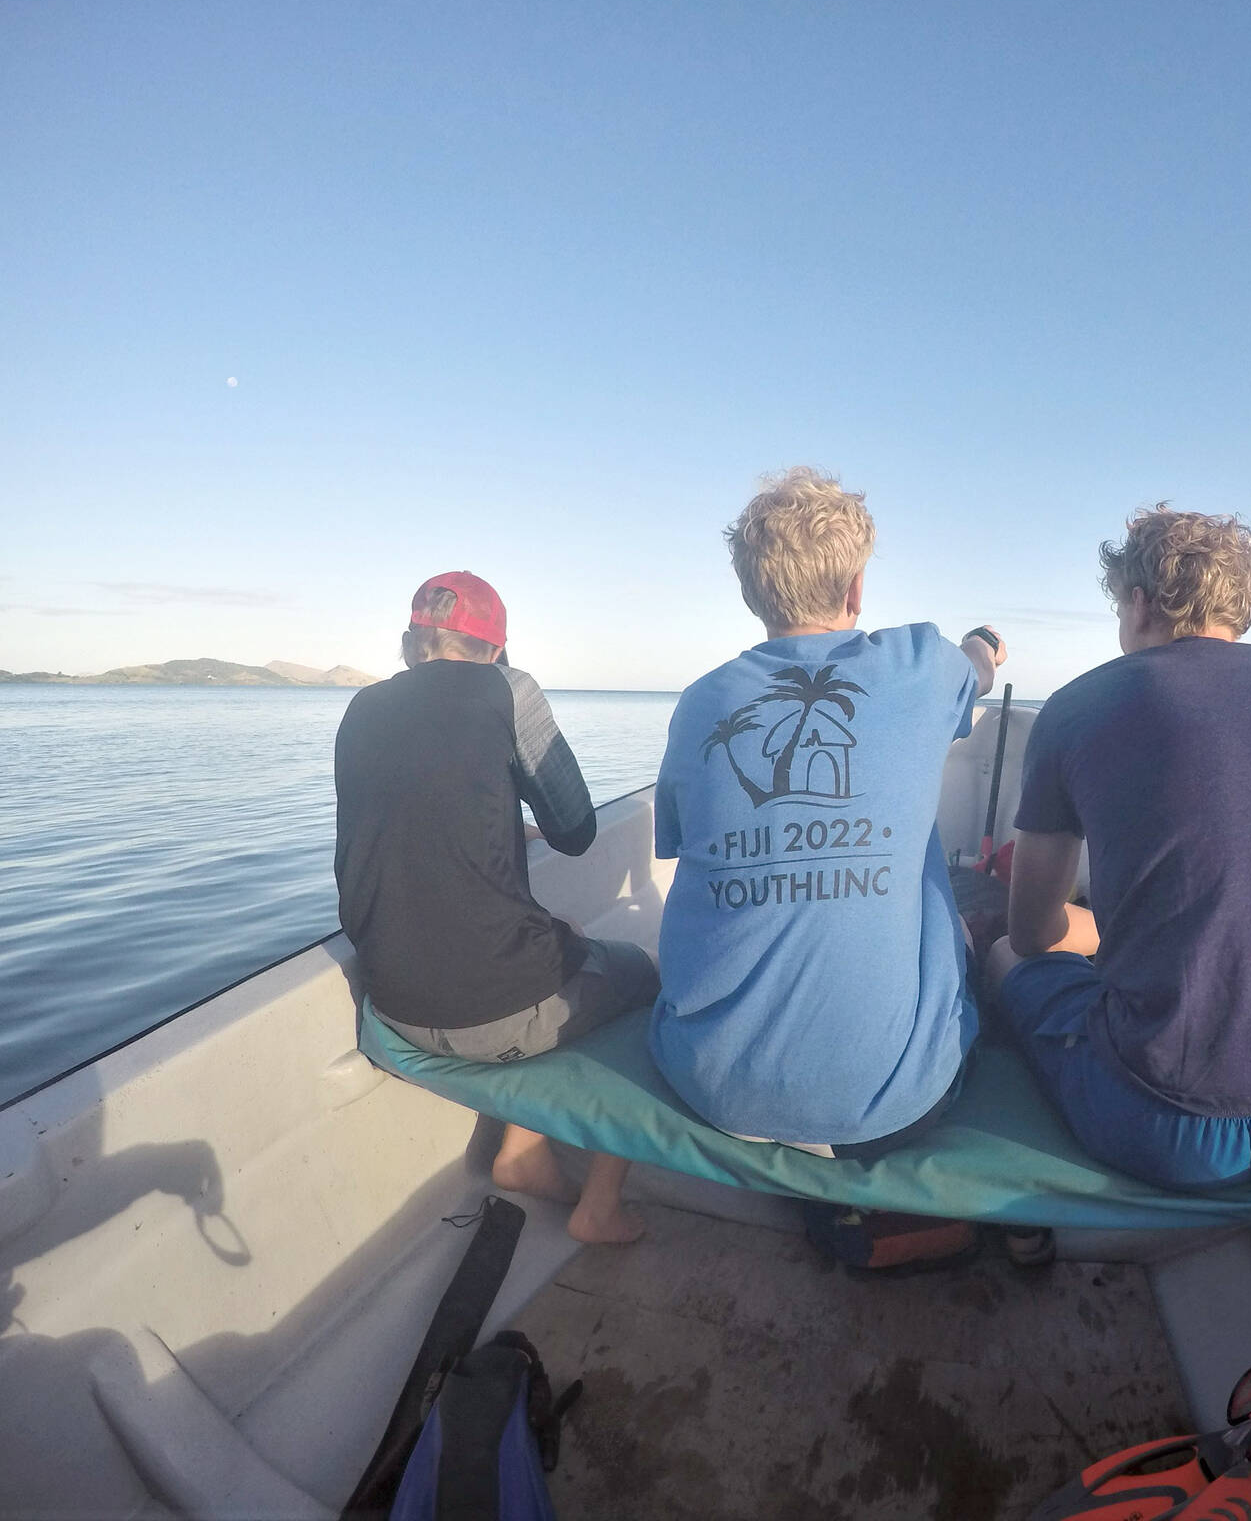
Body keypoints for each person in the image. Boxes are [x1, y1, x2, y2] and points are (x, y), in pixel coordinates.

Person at [986, 506, 1251, 1191]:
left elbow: (1034, 934)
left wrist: (1099, 931)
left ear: (1138, 602)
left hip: (1170, 1131)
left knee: (1006, 955)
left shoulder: (1077, 707)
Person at [650, 468, 1005, 1158]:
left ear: (753, 591)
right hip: (888, 1108)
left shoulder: (700, 702)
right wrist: (985, 641)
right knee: (970, 938)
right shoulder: (920, 667)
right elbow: (978, 669)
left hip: (710, 1087)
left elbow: (685, 844)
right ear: (856, 589)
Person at [335, 571, 657, 1244]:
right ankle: (598, 1206)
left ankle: (524, 1154)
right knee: (643, 981)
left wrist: (506, 820)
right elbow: (576, 832)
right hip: (487, 1013)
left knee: (556, 942)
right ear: (497, 650)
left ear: (411, 643)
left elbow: (419, 819)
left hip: (391, 1006)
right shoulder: (510, 691)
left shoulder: (361, 708)